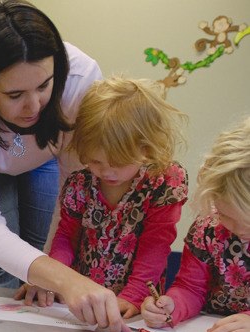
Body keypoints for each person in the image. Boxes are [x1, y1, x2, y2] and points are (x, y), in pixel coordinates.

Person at [0, 0, 127, 332]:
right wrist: (64, 278)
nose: (34, 106)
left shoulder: (81, 78)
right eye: (14, 94)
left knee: (40, 255)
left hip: (48, 162)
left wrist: (57, 274)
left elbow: (74, 190)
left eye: (44, 86)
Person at [29, 77, 188, 318]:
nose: (106, 172)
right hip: (84, 298)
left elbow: (155, 247)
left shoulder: (163, 183)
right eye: (95, 161)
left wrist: (133, 296)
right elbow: (65, 239)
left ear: (146, 148)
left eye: (119, 163)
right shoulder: (81, 184)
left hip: (137, 304)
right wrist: (53, 280)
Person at [141, 117, 250, 332]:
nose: (235, 228)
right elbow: (191, 288)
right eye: (223, 213)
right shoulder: (209, 228)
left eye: (245, 221)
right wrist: (172, 305)